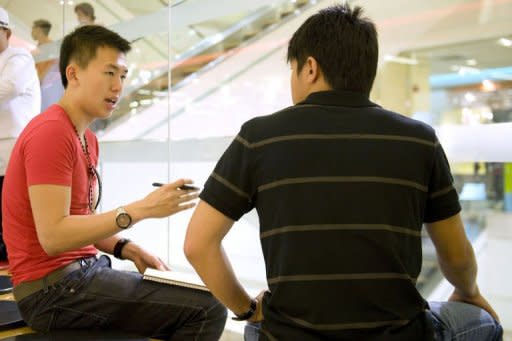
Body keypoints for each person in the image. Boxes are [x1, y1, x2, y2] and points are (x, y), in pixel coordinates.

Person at [184, 3, 503, 341]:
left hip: (289, 336)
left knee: (257, 328)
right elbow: (456, 256)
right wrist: (469, 292)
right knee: (485, 323)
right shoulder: (419, 140)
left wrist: (249, 310)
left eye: (291, 69)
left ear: (310, 68)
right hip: (401, 335)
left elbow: (198, 245)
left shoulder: (259, 137)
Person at [2, 25, 226, 339]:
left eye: (122, 75)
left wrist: (126, 247)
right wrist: (142, 209)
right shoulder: (50, 133)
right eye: (109, 73)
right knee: (208, 308)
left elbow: (81, 221)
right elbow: (53, 236)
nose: (118, 86)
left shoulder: (87, 139)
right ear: (74, 73)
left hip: (80, 275)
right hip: (51, 290)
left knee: (193, 298)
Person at [0, 7, 41, 262]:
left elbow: (10, 87)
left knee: (14, 212)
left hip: (15, 147)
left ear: (7, 32)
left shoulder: (19, 57)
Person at [31, 19, 64, 111]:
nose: (32, 32)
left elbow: (53, 67)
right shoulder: (39, 48)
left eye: (33, 28)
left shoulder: (51, 47)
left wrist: (39, 80)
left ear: (39, 29)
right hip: (40, 87)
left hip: (49, 89)